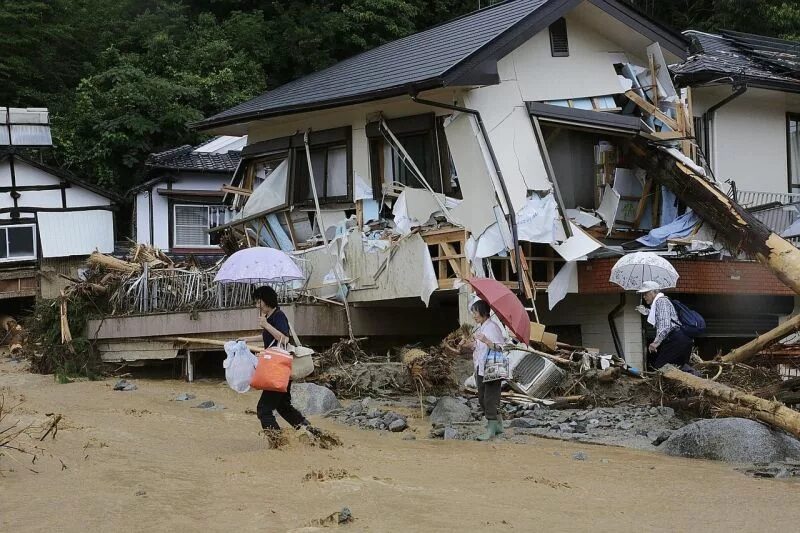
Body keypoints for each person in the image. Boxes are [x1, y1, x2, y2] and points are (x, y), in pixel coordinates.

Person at [251, 286, 317, 436]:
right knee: (283, 406)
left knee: (264, 409)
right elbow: (268, 337)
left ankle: (279, 442)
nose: (256, 305)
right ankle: (311, 433)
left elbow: (284, 338)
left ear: (266, 301)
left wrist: (266, 325)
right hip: (279, 368)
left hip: (278, 370)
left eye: (258, 302)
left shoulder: (278, 316)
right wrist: (244, 339)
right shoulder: (271, 317)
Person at [463, 300, 506, 441]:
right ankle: (498, 426)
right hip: (480, 368)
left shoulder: (493, 327)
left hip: (491, 368)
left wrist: (487, 340)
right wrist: (470, 344)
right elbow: (478, 348)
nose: (474, 316)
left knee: (490, 398)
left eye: (475, 312)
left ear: (483, 312)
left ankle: (491, 429)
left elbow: (501, 347)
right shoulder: (481, 327)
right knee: (482, 397)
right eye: (473, 313)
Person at [636, 281, 693, 370]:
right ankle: (700, 381)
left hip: (676, 339)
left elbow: (665, 325)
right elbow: (659, 316)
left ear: (653, 292)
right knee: (681, 369)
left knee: (661, 367)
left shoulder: (661, 301)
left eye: (645, 293)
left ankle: (703, 382)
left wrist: (655, 343)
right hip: (678, 339)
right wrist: (645, 311)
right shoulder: (659, 303)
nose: (644, 296)